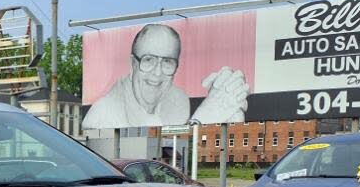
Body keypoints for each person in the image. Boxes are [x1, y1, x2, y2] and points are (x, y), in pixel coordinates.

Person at [82, 24, 250, 129]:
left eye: (167, 62)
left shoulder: (179, 100)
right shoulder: (102, 115)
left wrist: (226, 113)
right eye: (148, 60)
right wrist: (202, 119)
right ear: (133, 64)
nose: (157, 73)